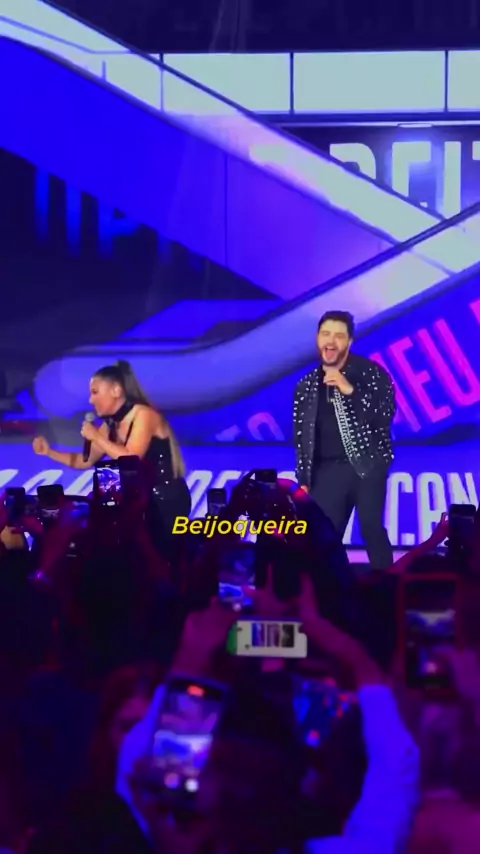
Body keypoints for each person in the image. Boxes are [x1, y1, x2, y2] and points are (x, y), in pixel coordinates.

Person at [32, 360, 191, 547]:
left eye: (95, 392)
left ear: (116, 390)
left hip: (164, 499)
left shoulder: (144, 414)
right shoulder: (110, 424)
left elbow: (131, 458)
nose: (90, 400)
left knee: (160, 552)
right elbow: (84, 461)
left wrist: (96, 437)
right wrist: (49, 452)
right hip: (140, 500)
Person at [293, 310, 396, 570]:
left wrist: (349, 389)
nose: (331, 341)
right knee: (324, 536)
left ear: (349, 341)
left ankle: (387, 585)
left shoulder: (370, 373)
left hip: (367, 465)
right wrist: (304, 477)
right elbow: (302, 437)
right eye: (325, 334)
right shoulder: (306, 385)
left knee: (371, 527)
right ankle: (329, 588)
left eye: (338, 336)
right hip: (327, 470)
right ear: (317, 338)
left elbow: (385, 413)